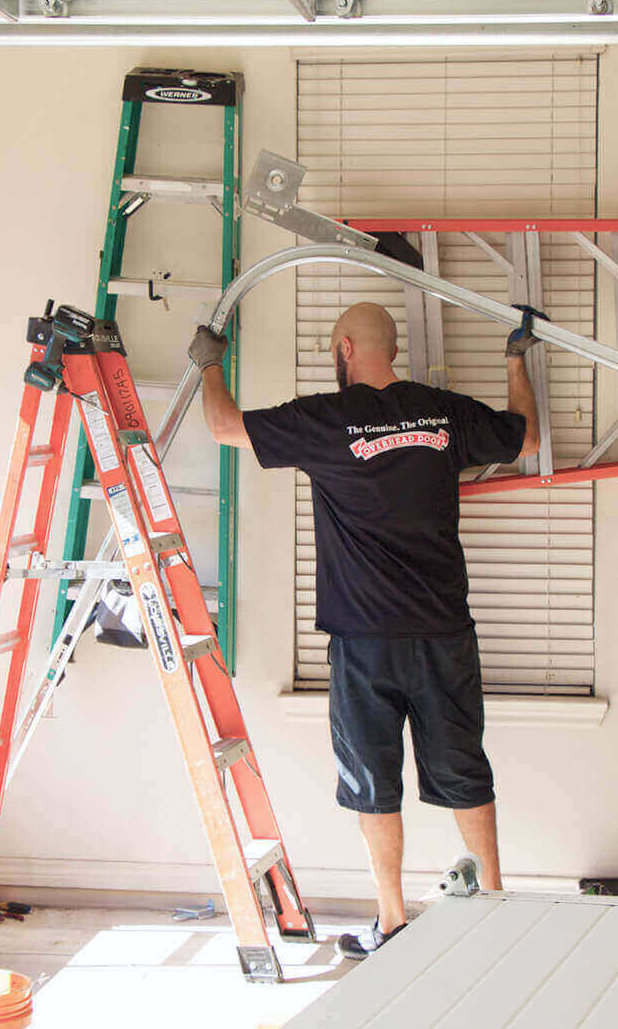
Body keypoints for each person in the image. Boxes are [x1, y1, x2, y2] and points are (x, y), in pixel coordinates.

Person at [188, 301, 541, 959]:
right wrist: (517, 361)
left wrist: (212, 362)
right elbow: (526, 438)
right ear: (391, 348)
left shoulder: (327, 418)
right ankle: (493, 904)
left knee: (373, 781)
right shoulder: (441, 410)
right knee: (465, 770)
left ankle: (393, 921)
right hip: (443, 632)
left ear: (345, 346)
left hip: (364, 640)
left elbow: (222, 424)